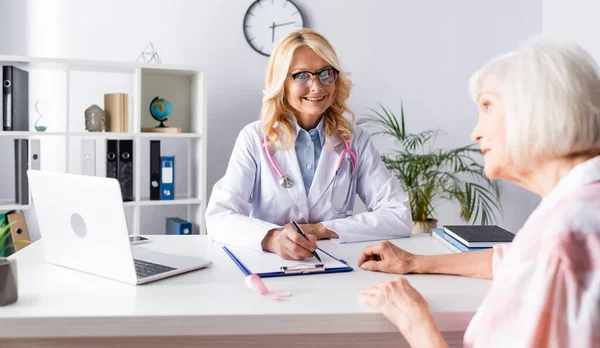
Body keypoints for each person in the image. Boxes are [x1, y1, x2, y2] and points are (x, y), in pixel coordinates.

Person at [358, 35, 600, 348]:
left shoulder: (564, 234)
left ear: (534, 108)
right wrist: (415, 262)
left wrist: (414, 321)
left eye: (487, 105)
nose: (475, 133)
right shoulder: (580, 206)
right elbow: (511, 259)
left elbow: (541, 257)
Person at [205, 28, 412, 259]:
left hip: (338, 265)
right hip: (270, 266)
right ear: (281, 82)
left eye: (325, 73)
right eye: (302, 75)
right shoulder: (254, 138)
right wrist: (273, 239)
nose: (317, 86)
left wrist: (321, 230)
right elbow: (219, 216)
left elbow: (399, 214)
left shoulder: (354, 140)